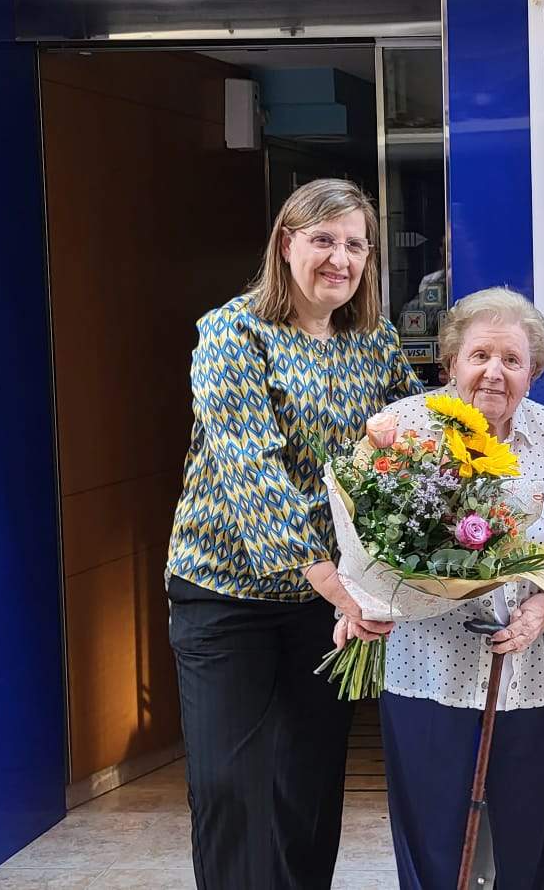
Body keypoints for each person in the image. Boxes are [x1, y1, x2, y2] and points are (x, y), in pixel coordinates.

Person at [163, 178, 423, 889]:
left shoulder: (375, 342)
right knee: (230, 786)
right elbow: (252, 465)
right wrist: (337, 585)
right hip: (226, 595)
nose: (339, 258)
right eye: (322, 240)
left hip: (324, 605)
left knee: (307, 785)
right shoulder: (232, 331)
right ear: (286, 244)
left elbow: (411, 447)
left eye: (354, 244)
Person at [373, 288, 544, 890]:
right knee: (431, 834)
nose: (494, 372)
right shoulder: (408, 428)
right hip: (427, 668)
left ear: (533, 373)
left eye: (512, 360)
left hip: (533, 668)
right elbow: (372, 544)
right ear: (451, 362)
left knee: (526, 831)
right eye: (479, 355)